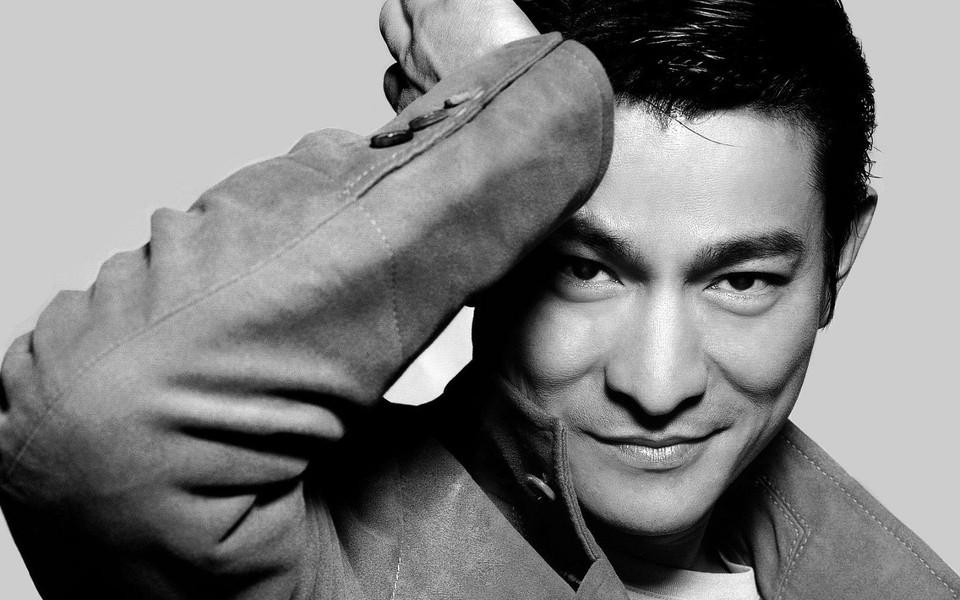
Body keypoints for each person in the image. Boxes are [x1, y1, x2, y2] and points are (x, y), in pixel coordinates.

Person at [0, 1, 956, 599]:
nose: (658, 384)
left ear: (839, 261)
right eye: (583, 270)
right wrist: (510, 103)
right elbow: (91, 427)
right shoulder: (329, 562)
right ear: (486, 232)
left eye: (740, 282)